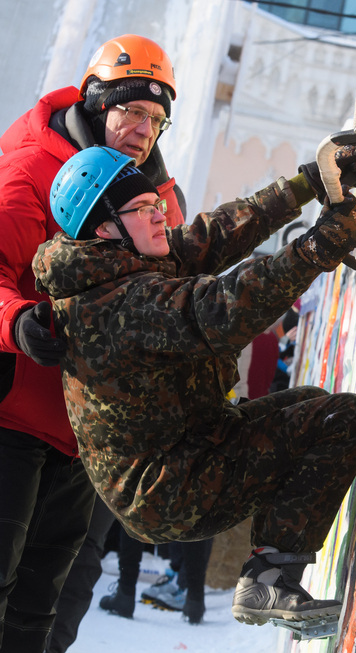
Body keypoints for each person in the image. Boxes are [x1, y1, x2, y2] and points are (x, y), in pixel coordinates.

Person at [35, 144, 356, 626]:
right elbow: (221, 309)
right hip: (167, 486)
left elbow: (213, 236)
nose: (159, 217)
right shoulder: (115, 303)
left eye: (156, 204)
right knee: (340, 418)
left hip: (190, 447)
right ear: (103, 229)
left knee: (312, 405)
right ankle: (270, 581)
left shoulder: (122, 261)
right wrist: (316, 247)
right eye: (142, 210)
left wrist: (308, 184)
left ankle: (268, 571)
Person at [0, 34, 184, 653]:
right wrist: (19, 320)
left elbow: (181, 286)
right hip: (12, 417)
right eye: (132, 111)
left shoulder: (159, 198)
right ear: (97, 103)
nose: (143, 130)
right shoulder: (30, 166)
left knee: (49, 611)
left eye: (156, 120)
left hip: (93, 437)